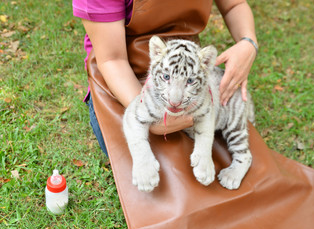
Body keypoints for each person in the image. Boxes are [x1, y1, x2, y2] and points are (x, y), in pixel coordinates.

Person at [72, 0, 258, 156]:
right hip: (124, 84)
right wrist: (146, 111)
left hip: (186, 78)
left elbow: (234, 4)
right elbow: (113, 60)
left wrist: (248, 42)